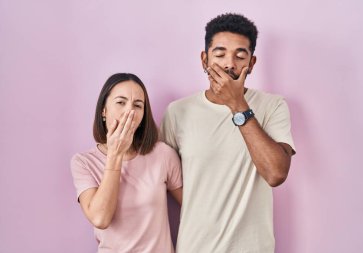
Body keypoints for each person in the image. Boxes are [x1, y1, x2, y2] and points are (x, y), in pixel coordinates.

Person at [160, 13, 296, 253]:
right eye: (220, 54)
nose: (229, 64)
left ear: (252, 63)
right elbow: (163, 177)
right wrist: (204, 207)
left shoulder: (272, 106)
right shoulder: (178, 112)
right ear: (204, 59)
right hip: (196, 247)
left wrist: (237, 104)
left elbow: (276, 173)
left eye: (240, 56)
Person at [71, 73, 182, 253]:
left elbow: (193, 208)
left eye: (138, 105)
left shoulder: (163, 154)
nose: (129, 111)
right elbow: (100, 219)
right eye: (121, 102)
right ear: (103, 111)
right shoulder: (83, 162)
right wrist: (115, 154)